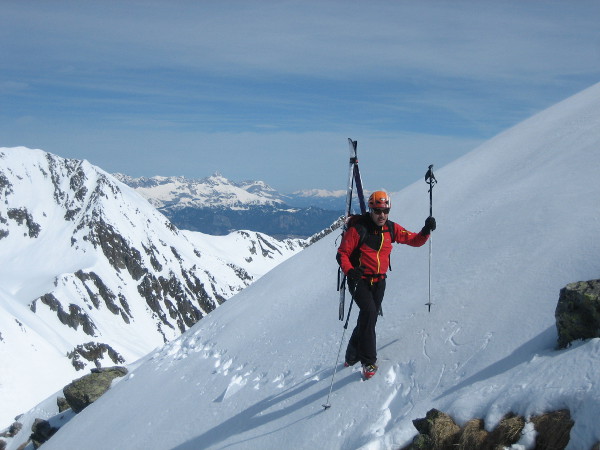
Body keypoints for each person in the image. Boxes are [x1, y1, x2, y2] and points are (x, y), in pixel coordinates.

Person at [336, 190, 436, 379]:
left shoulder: (391, 228)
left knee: (368, 317)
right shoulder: (358, 230)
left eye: (385, 211)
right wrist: (350, 271)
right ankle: (368, 361)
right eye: (377, 211)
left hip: (379, 281)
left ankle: (352, 354)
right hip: (359, 280)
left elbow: (414, 240)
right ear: (371, 210)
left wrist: (426, 230)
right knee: (370, 314)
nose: (382, 215)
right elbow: (342, 254)